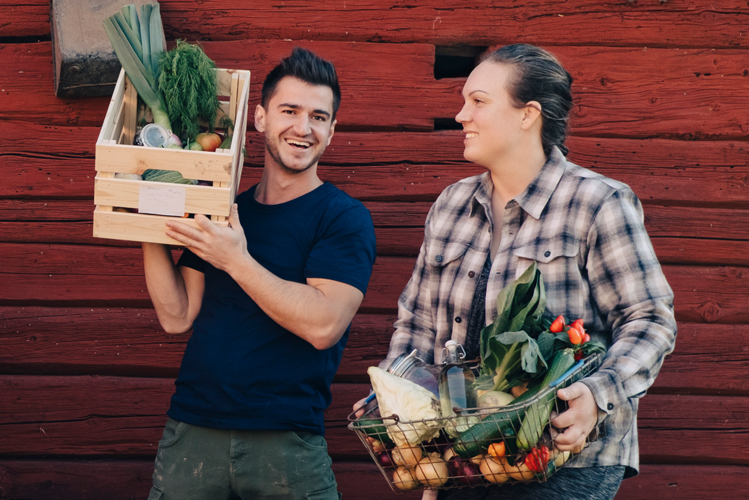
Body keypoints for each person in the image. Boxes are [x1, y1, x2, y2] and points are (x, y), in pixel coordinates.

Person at [368, 44, 677, 500]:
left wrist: (597, 394)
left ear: (527, 114)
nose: (461, 115)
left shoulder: (597, 202)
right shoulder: (451, 205)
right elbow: (415, 324)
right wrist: (393, 398)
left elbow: (650, 320)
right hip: (465, 461)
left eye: (479, 101)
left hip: (564, 459)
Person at [143, 47, 376, 500]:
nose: (303, 128)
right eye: (289, 110)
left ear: (332, 130)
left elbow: (324, 324)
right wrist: (148, 217)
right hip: (192, 432)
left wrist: (236, 260)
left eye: (319, 117)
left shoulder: (342, 217)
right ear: (261, 118)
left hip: (285, 443)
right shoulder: (226, 210)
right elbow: (177, 316)